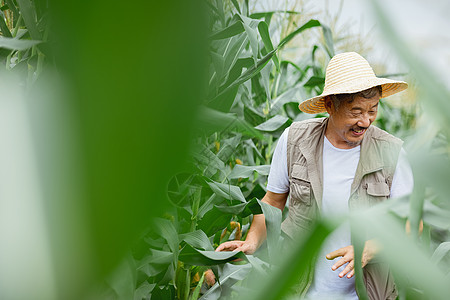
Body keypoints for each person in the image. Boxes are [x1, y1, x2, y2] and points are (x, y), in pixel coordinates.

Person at [216, 52, 414, 299]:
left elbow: (410, 224)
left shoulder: (392, 152)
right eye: (356, 111)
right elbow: (273, 202)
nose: (365, 121)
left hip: (369, 293)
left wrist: (369, 249)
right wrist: (252, 241)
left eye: (372, 110)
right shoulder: (294, 141)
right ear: (330, 105)